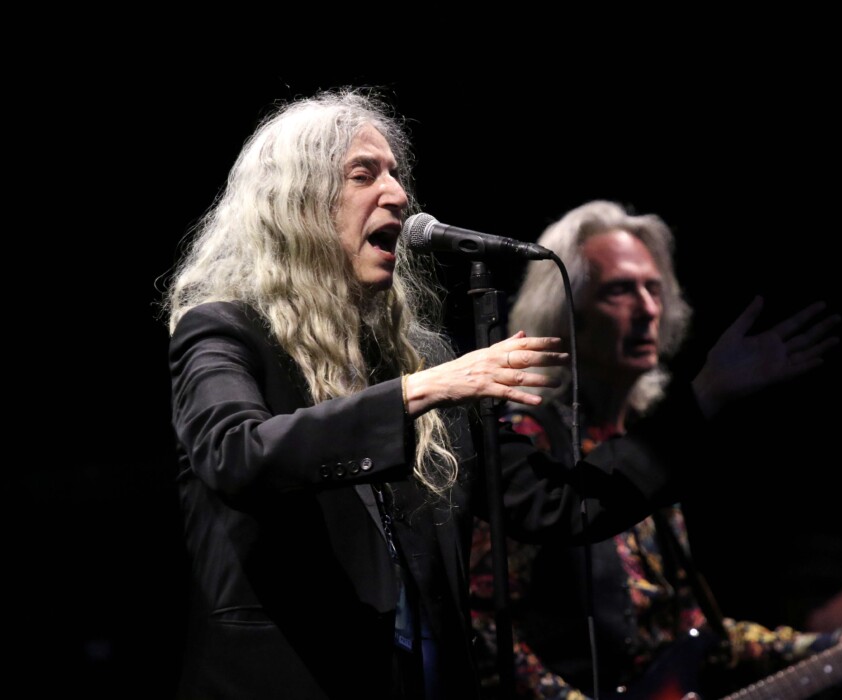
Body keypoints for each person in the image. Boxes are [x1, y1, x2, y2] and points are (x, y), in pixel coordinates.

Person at [161, 89, 724, 700]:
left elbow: (557, 503)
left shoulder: (410, 360)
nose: (398, 194)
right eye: (363, 174)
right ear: (296, 204)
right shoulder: (224, 328)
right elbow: (234, 453)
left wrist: (705, 398)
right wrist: (420, 390)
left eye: (396, 174)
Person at [468, 200, 842, 699]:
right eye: (620, 291)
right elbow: (483, 625)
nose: (648, 308)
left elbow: (699, 639)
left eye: (654, 289)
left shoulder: (646, 446)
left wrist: (838, 645)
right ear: (568, 314)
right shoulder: (528, 440)